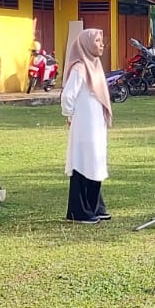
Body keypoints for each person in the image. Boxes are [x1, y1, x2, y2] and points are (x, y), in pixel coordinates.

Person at [61, 27, 112, 223]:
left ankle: (95, 206)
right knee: (84, 161)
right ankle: (79, 211)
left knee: (96, 160)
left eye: (101, 41)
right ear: (88, 44)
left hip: (95, 123)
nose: (101, 45)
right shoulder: (80, 68)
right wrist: (70, 114)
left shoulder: (94, 65)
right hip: (84, 124)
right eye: (98, 41)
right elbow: (67, 95)